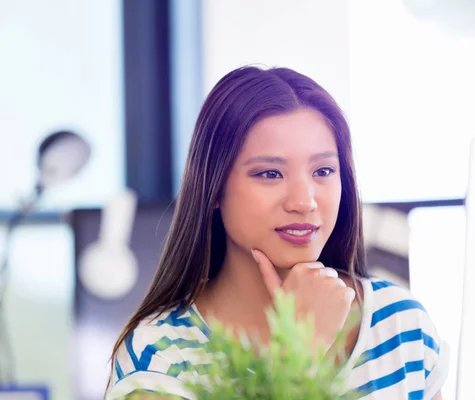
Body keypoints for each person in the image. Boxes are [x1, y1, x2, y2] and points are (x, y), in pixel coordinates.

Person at [105, 66, 449, 400]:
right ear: (213, 189)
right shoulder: (160, 357)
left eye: (324, 170)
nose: (304, 201)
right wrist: (300, 357)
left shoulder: (401, 323)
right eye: (270, 173)